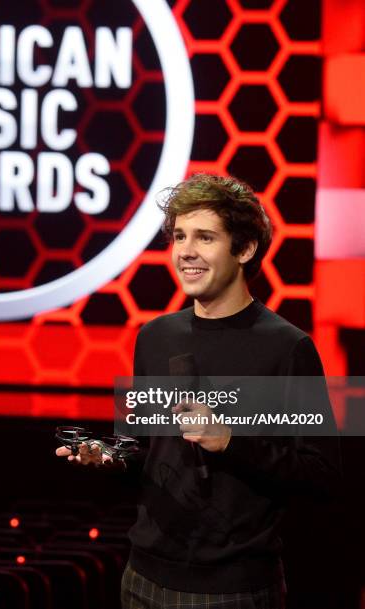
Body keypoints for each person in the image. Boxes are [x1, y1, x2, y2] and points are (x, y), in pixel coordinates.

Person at [56, 173, 341, 609]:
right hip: (143, 578)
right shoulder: (155, 337)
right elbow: (145, 448)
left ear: (244, 249)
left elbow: (321, 475)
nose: (185, 251)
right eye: (179, 237)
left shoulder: (288, 348)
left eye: (205, 237)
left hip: (234, 588)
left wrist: (231, 440)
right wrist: (108, 455)